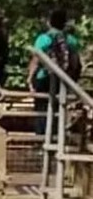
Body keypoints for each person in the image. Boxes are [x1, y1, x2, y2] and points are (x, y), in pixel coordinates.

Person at [28, 8, 82, 136]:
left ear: (49, 22)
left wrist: (30, 78)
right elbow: (76, 62)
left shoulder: (43, 39)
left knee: (42, 108)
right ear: (64, 23)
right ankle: (57, 136)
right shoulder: (71, 40)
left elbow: (36, 60)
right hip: (62, 79)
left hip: (44, 78)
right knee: (59, 107)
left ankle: (41, 137)